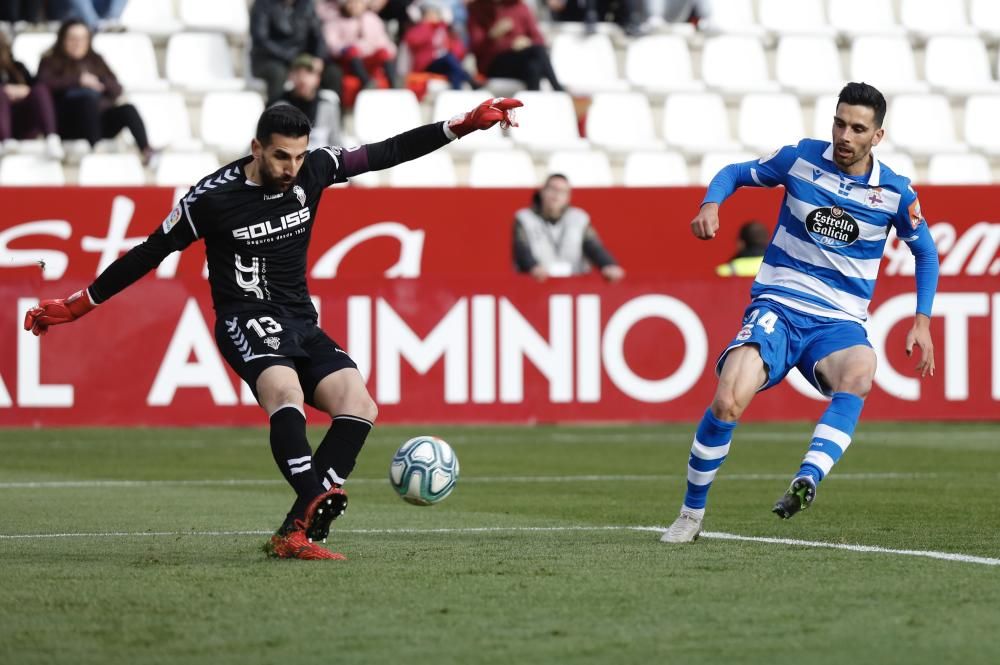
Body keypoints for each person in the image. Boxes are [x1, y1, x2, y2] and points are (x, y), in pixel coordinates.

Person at [24, 97, 523, 560]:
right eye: (282, 157)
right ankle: (315, 496)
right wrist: (79, 305)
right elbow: (151, 251)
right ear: (257, 148)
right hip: (245, 316)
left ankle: (294, 532)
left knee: (360, 405)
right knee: (284, 392)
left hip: (300, 319)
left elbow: (385, 152)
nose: (291, 169)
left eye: (299, 157)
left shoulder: (315, 170)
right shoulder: (210, 198)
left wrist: (459, 126)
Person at [661, 82, 939, 544]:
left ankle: (807, 479)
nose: (844, 135)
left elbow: (925, 254)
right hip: (779, 307)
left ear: (878, 136)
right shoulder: (800, 160)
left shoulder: (895, 193)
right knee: (728, 400)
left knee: (861, 370)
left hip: (837, 322)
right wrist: (711, 203)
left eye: (857, 128)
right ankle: (691, 514)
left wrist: (923, 320)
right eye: (839, 122)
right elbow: (734, 172)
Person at [37, 19, 153, 164]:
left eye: (82, 39)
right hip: (67, 122)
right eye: (73, 38)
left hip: (98, 119)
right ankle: (96, 149)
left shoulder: (96, 60)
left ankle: (147, 151)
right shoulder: (50, 61)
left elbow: (117, 88)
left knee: (128, 110)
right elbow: (42, 86)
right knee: (87, 99)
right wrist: (78, 81)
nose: (78, 43)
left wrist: (100, 83)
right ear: (63, 40)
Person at [513, 173, 625, 282]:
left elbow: (594, 247)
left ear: (568, 197)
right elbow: (522, 249)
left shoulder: (579, 219)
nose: (556, 195)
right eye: (552, 189)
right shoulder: (525, 218)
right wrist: (533, 267)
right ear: (542, 191)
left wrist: (609, 265)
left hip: (574, 285)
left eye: (562, 191)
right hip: (537, 284)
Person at [250, 0, 342, 105]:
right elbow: (261, 40)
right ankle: (275, 115)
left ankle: (331, 115)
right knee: (278, 74)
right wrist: (291, 58)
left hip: (302, 58)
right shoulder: (263, 4)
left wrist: (318, 58)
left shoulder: (307, 4)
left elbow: (317, 35)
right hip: (270, 60)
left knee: (333, 73)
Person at [468, 0, 563, 92]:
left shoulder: (520, 6)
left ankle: (532, 105)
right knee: (537, 54)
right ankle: (558, 89)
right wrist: (493, 36)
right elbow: (476, 47)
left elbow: (539, 39)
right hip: (493, 66)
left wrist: (527, 42)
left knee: (534, 66)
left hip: (521, 62)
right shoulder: (477, 8)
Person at [0, 31, 64, 159]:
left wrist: (23, 91)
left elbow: (34, 88)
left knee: (40, 90)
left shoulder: (18, 67)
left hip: (22, 120)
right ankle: (4, 139)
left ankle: (52, 138)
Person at [317, 0, 398, 90]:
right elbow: (332, 44)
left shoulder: (372, 19)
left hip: (369, 59)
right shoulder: (335, 21)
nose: (355, 6)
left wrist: (388, 50)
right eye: (351, 3)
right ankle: (367, 83)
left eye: (358, 3)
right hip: (349, 61)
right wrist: (346, 48)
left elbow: (383, 41)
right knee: (352, 51)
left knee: (383, 52)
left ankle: (394, 83)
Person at [403, 0, 479, 90]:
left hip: (444, 64)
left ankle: (457, 91)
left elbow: (459, 51)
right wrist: (427, 26)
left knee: (452, 67)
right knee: (448, 59)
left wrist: (443, 28)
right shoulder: (416, 29)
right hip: (426, 66)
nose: (433, 16)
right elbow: (414, 41)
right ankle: (469, 80)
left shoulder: (444, 30)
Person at [275, 53, 342, 149]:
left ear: (318, 78)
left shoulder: (328, 106)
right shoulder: (279, 109)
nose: (303, 79)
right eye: (298, 73)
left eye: (308, 73)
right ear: (290, 76)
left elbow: (336, 143)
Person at [46, 0, 128, 30]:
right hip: (66, 13)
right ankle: (94, 24)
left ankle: (112, 21)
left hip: (98, 13)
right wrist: (93, 23)